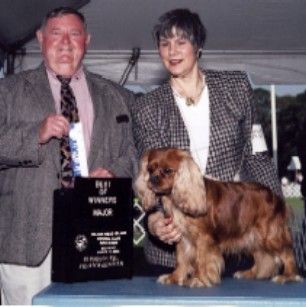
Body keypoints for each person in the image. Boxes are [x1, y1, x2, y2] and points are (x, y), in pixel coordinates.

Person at [0, 7, 137, 305]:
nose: (65, 43)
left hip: (96, 240)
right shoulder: (7, 91)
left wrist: (115, 171)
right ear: (40, 39)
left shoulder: (118, 96)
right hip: (27, 244)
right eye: (56, 34)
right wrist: (34, 135)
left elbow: (135, 154)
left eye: (74, 34)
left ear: (87, 40)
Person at [130, 8, 282, 274]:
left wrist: (275, 212)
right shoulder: (147, 107)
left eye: (181, 42)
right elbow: (150, 176)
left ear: (198, 46)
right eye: (164, 44)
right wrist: (154, 219)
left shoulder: (236, 88)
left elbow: (257, 157)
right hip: (178, 248)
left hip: (235, 237)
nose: (172, 51)